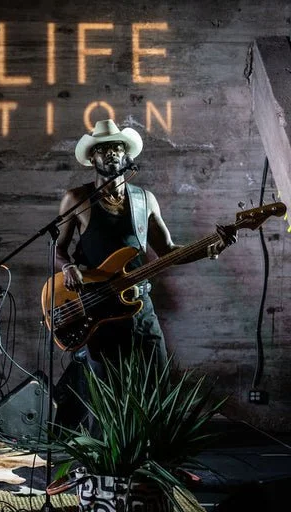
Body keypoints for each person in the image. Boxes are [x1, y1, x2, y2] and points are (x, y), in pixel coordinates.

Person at [52, 119, 236, 429]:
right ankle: (107, 470)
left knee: (157, 384)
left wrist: (211, 247)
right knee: (107, 395)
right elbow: (58, 249)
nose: (111, 154)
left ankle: (151, 463)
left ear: (126, 157)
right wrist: (67, 266)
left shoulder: (144, 200)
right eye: (103, 149)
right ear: (92, 159)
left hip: (140, 309)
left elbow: (167, 251)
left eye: (117, 148)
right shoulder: (77, 199)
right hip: (100, 311)